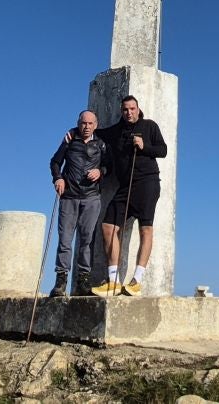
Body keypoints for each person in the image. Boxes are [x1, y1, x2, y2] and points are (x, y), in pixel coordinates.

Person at [90, 95, 167, 297]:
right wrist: (75, 132)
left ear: (138, 109)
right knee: (108, 227)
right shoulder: (116, 131)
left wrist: (144, 146)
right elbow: (95, 131)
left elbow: (163, 150)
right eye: (125, 109)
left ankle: (136, 281)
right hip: (125, 187)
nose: (129, 112)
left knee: (146, 229)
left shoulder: (150, 126)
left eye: (132, 109)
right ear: (121, 111)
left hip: (147, 183)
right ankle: (114, 281)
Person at [48, 110, 107, 297]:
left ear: (96, 125)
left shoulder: (101, 144)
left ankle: (83, 281)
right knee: (65, 239)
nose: (86, 127)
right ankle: (61, 281)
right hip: (69, 196)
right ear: (78, 123)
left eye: (90, 123)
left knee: (87, 240)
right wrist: (58, 178)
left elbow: (111, 164)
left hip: (91, 197)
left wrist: (101, 171)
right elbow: (55, 162)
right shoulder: (69, 140)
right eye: (83, 123)